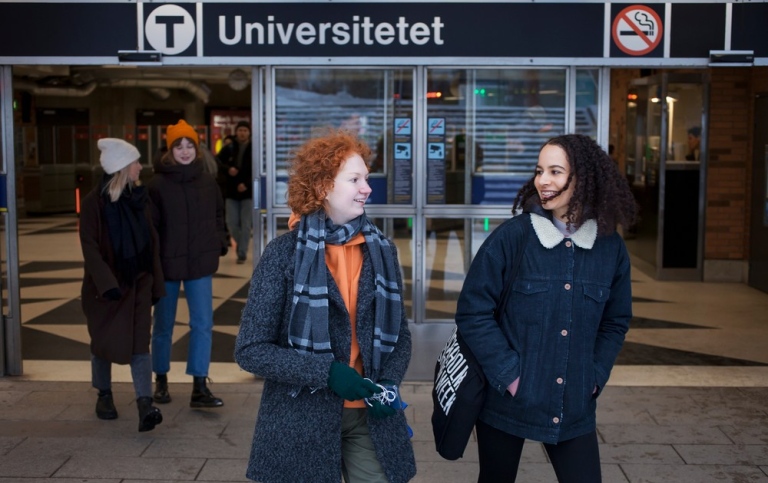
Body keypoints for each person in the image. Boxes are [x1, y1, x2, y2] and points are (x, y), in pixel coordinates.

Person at [234, 130, 416, 483]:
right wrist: (327, 373)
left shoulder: (381, 250)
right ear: (322, 187)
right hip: (302, 417)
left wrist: (389, 381)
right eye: (354, 179)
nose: (367, 188)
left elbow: (401, 337)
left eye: (366, 178)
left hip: (370, 414)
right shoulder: (284, 255)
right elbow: (251, 350)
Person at [455, 134, 637, 483]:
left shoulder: (609, 247)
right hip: (508, 401)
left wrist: (594, 377)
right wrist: (509, 376)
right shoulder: (513, 238)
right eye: (540, 171)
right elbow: (472, 313)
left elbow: (615, 322)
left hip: (574, 405)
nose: (543, 181)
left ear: (583, 179)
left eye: (556, 171)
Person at [79, 137, 165, 432]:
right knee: (102, 342)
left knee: (140, 343)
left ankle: (144, 404)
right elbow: (89, 247)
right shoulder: (93, 204)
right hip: (105, 289)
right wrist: (107, 284)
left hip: (139, 282)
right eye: (135, 163)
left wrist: (155, 283)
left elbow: (151, 243)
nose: (141, 167)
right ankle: (104, 394)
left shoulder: (140, 199)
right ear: (121, 167)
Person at [148, 119, 228, 408]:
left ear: (198, 148)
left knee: (203, 324)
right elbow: (151, 226)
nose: (184, 151)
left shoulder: (207, 181)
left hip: (199, 264)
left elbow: (219, 214)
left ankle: (199, 386)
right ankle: (161, 380)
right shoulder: (156, 184)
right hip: (167, 264)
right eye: (178, 146)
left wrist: (219, 240)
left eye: (189, 145)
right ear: (170, 150)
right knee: (163, 325)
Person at [217, 121, 253, 264]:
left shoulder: (253, 148)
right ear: (236, 132)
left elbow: (257, 168)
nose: (242, 133)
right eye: (240, 130)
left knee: (245, 224)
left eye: (245, 130)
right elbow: (218, 161)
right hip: (231, 191)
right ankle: (242, 245)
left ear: (249, 132)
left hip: (248, 192)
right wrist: (228, 169)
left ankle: (242, 252)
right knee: (231, 223)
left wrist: (246, 184)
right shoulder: (229, 147)